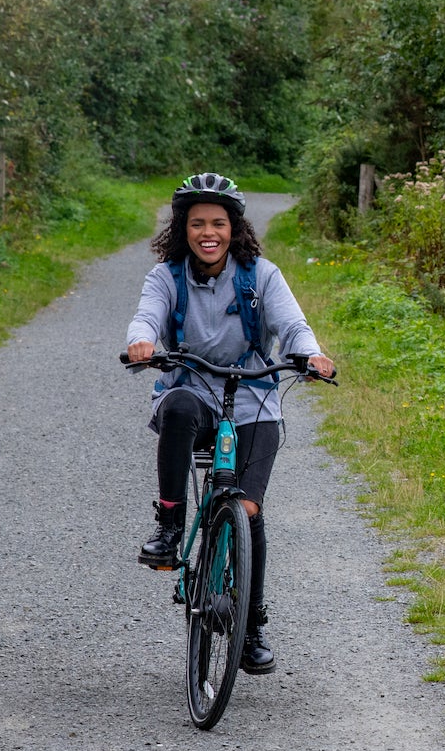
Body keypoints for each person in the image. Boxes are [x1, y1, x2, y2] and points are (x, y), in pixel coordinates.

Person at [125, 174, 334, 675]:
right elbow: (147, 316)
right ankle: (171, 524)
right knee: (174, 408)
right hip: (192, 391)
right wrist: (142, 342)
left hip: (255, 399)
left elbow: (292, 325)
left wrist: (310, 354)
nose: (208, 232)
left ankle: (251, 625)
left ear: (234, 228)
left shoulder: (260, 275)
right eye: (197, 223)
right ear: (183, 229)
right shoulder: (166, 276)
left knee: (248, 508)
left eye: (218, 222)